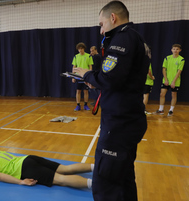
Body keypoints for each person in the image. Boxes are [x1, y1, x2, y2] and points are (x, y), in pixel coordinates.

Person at [73, 1, 150, 201]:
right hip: (128, 118)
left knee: (105, 182)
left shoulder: (122, 38)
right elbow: (119, 79)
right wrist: (97, 82)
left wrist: (89, 75)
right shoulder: (136, 38)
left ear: (113, 18)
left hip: (119, 123)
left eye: (101, 24)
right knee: (124, 178)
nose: (101, 30)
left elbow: (111, 78)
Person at [0, 143, 94, 189]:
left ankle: (96, 184)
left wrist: (21, 182)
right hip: (28, 158)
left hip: (25, 168)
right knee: (66, 169)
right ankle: (98, 167)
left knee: (61, 180)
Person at [153, 44, 185, 117]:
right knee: (162, 94)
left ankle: (171, 110)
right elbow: (164, 69)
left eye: (177, 49)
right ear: (171, 50)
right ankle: (161, 110)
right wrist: (166, 80)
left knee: (173, 95)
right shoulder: (167, 58)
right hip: (166, 80)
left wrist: (173, 81)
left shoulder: (181, 59)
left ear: (180, 50)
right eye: (174, 49)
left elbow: (179, 71)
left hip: (175, 81)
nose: (175, 50)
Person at [72, 42, 93, 111]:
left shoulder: (89, 56)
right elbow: (74, 67)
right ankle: (78, 105)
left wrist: (90, 76)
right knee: (78, 91)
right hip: (78, 76)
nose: (80, 50)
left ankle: (85, 105)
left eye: (81, 49)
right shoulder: (76, 56)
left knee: (86, 91)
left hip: (86, 76)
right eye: (79, 49)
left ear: (83, 48)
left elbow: (90, 67)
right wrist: (73, 76)